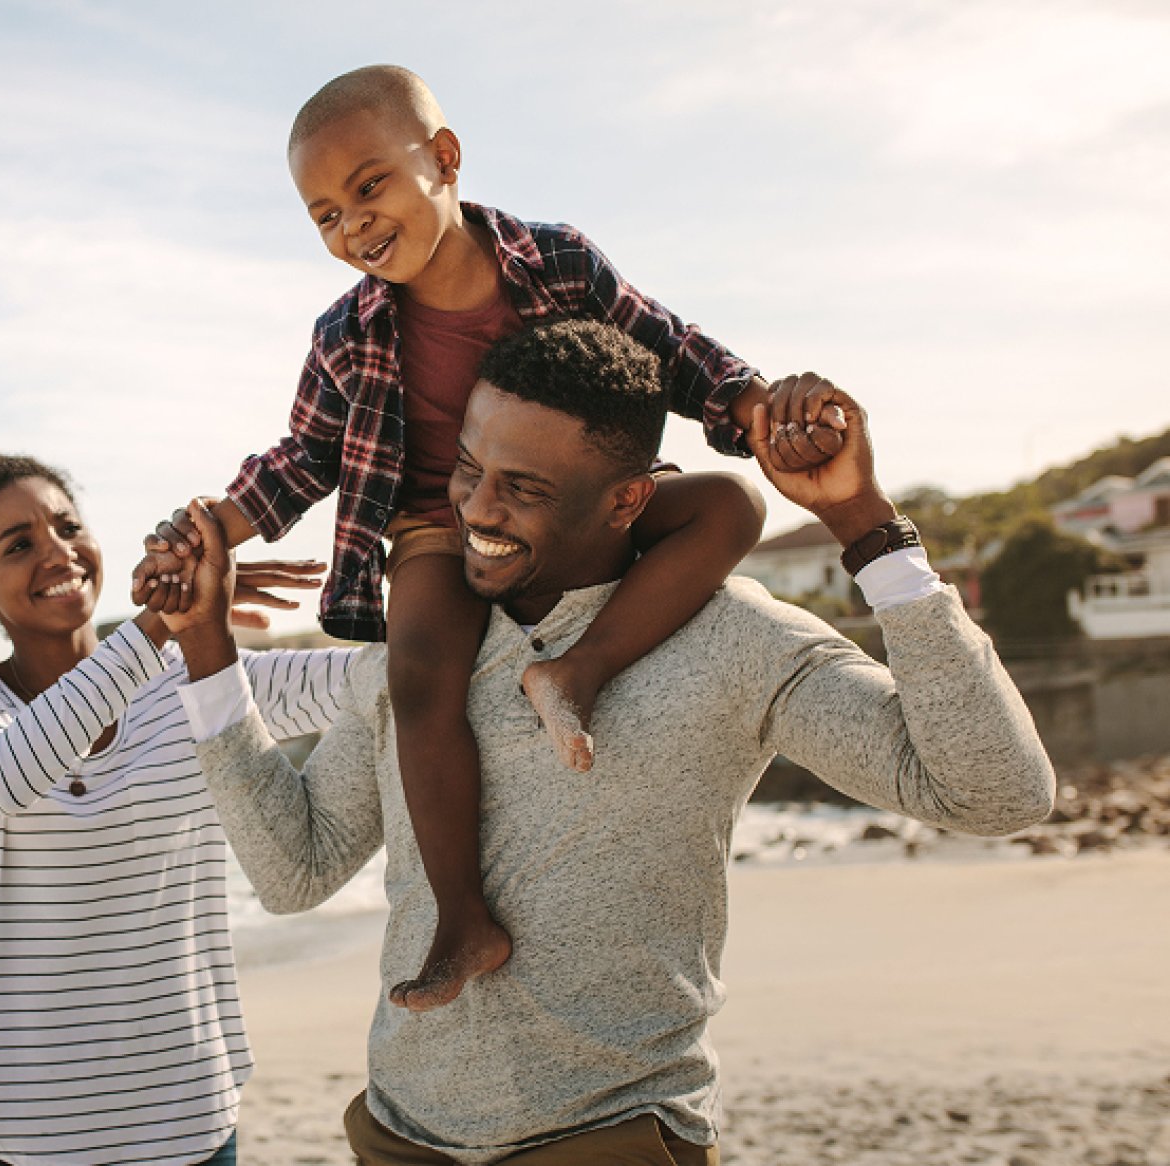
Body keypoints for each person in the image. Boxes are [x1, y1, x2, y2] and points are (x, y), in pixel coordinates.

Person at [160, 320, 1056, 1165]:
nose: (477, 507)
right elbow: (294, 870)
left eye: (525, 488)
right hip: (404, 1134)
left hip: (614, 1138)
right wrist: (207, 649)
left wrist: (864, 525)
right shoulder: (421, 653)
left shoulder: (731, 638)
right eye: (469, 469)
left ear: (629, 498)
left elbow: (996, 791)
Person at [134, 64, 846, 1012]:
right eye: (323, 216)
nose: (352, 227)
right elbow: (303, 456)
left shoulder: (555, 262)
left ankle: (576, 673)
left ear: (442, 158)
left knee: (731, 510)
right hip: (439, 522)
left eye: (368, 187)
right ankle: (463, 920)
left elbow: (671, 349)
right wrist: (209, 526)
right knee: (419, 671)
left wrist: (757, 405)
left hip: (574, 506)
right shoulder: (346, 333)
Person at [0, 434, 353, 1166]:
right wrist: (159, 622)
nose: (57, 552)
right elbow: (1, 782)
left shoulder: (200, 676)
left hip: (188, 1117)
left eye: (67, 526)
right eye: (18, 544)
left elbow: (371, 682)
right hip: (23, 1126)